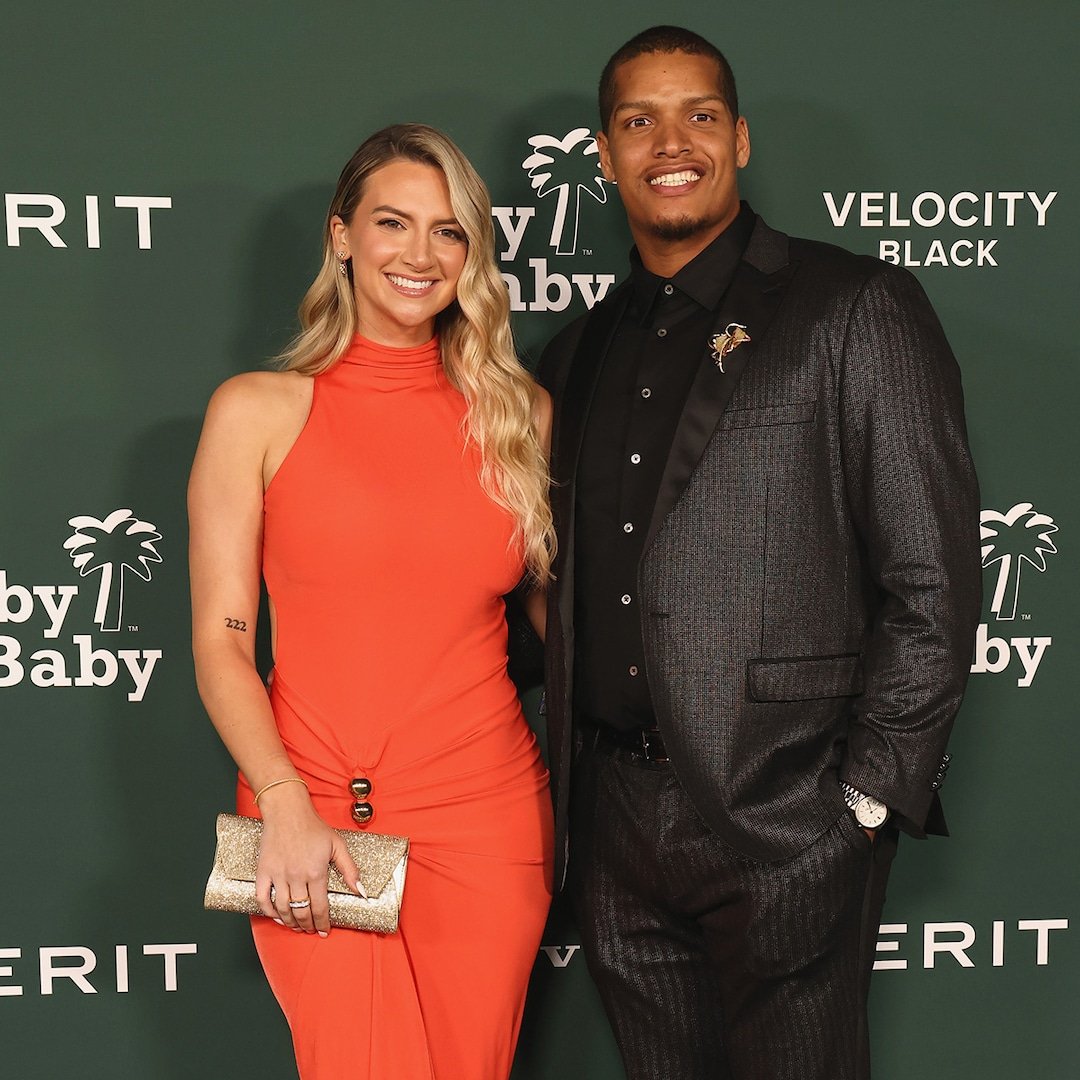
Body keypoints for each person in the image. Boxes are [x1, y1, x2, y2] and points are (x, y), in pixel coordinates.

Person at [538, 26, 981, 1080]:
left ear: (738, 139)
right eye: (639, 121)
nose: (670, 144)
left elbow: (932, 578)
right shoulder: (576, 350)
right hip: (614, 825)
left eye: (697, 115)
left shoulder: (853, 306)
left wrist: (863, 805)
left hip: (788, 814)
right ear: (605, 155)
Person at [189, 123, 554, 1080]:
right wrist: (283, 801)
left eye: (449, 230)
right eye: (393, 222)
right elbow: (222, 642)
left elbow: (561, 622)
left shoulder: (520, 417)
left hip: (489, 821)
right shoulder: (255, 411)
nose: (419, 253)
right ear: (342, 235)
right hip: (308, 811)